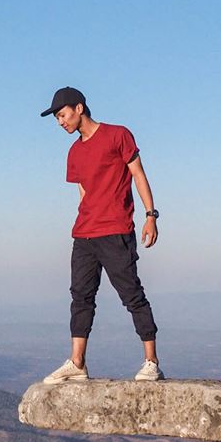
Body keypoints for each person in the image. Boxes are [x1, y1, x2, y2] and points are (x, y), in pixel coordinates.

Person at [40, 86, 164, 383]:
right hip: (84, 234)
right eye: (57, 119)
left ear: (79, 108)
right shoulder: (74, 152)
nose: (60, 122)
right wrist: (87, 219)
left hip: (116, 230)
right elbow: (83, 192)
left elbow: (138, 174)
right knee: (81, 297)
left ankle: (151, 362)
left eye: (62, 115)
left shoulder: (118, 135)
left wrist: (150, 215)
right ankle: (77, 362)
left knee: (132, 294)